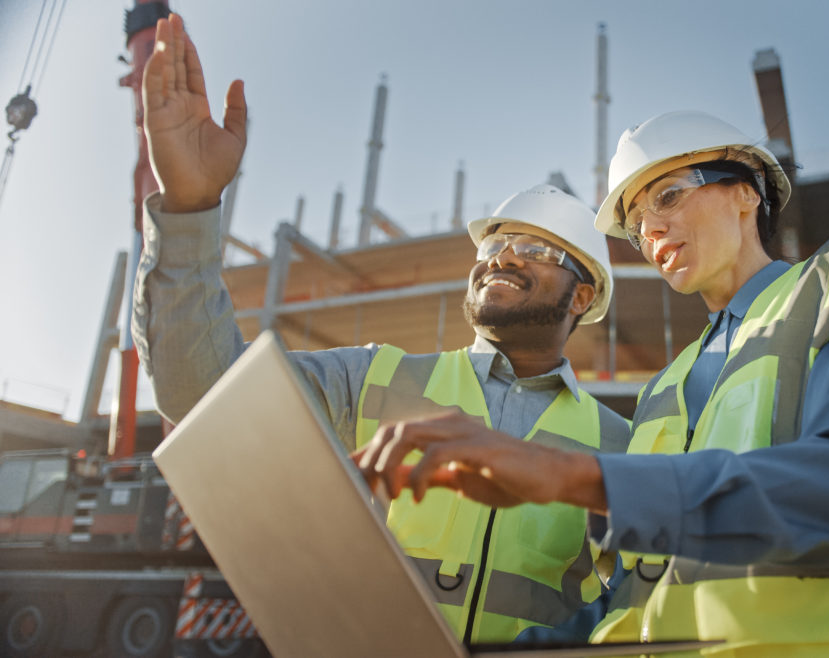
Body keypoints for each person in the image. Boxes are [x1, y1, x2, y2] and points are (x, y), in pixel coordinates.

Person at [363, 110, 829, 656]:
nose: (651, 232)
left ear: (745, 192)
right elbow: (635, 589)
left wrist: (568, 475)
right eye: (635, 224)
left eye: (668, 196)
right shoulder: (664, 390)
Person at [133, 14, 631, 644]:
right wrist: (188, 208)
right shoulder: (375, 378)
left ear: (582, 294)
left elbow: (637, 603)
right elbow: (203, 397)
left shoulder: (621, 445)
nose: (502, 256)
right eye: (497, 242)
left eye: (536, 249)